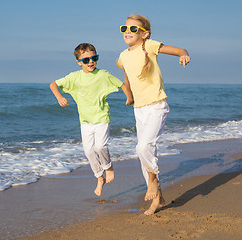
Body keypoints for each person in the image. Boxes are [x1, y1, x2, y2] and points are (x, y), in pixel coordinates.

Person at [116, 14, 191, 215]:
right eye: (125, 28)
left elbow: (178, 50)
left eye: (133, 29)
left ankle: (153, 183)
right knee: (146, 154)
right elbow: (127, 76)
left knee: (143, 147)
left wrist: (183, 54)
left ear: (144, 34)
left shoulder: (148, 46)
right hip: (139, 109)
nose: (127, 32)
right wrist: (129, 96)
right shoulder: (123, 55)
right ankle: (157, 198)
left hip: (157, 106)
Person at [50, 43, 134, 196]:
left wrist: (129, 98)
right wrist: (60, 97)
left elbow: (121, 85)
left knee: (100, 146)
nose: (91, 62)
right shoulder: (74, 77)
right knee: (89, 151)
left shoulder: (103, 75)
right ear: (79, 62)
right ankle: (98, 177)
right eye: (86, 59)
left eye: (94, 58)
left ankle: (108, 168)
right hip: (85, 121)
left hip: (102, 117)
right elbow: (53, 84)